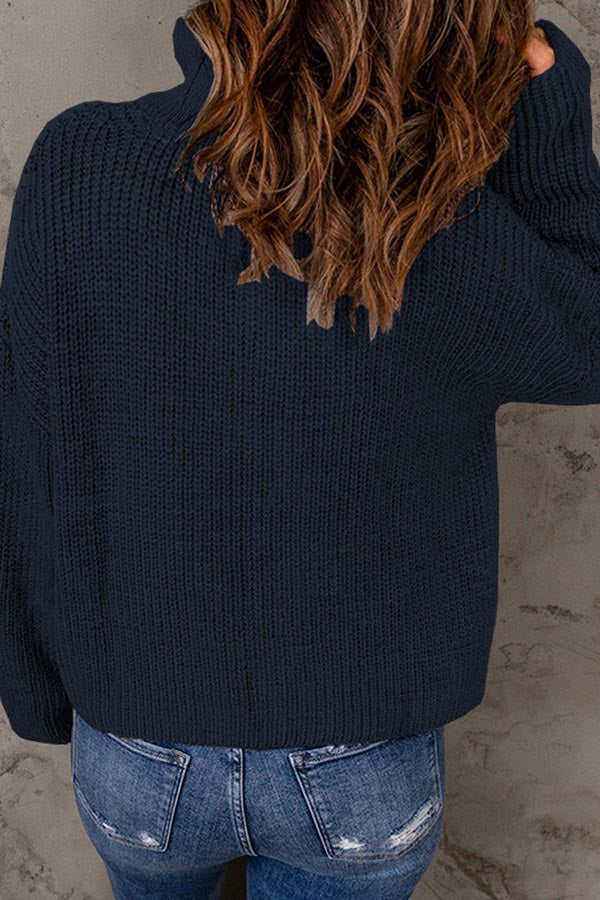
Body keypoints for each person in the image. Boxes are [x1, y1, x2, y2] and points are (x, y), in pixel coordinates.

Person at [0, 2, 598, 898]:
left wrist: (37, 691)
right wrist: (548, 91)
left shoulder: (80, 161)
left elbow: (26, 445)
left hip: (137, 746)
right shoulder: (434, 212)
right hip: (361, 762)